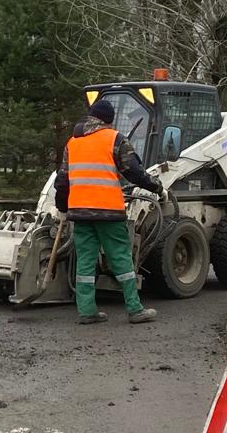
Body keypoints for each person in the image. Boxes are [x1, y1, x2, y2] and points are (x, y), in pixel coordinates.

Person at [53, 99, 164, 325]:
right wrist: (157, 187)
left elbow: (62, 180)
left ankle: (87, 311)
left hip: (80, 213)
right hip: (108, 212)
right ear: (108, 119)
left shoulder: (72, 143)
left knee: (85, 262)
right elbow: (134, 173)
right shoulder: (114, 139)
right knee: (121, 259)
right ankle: (134, 309)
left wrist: (63, 207)